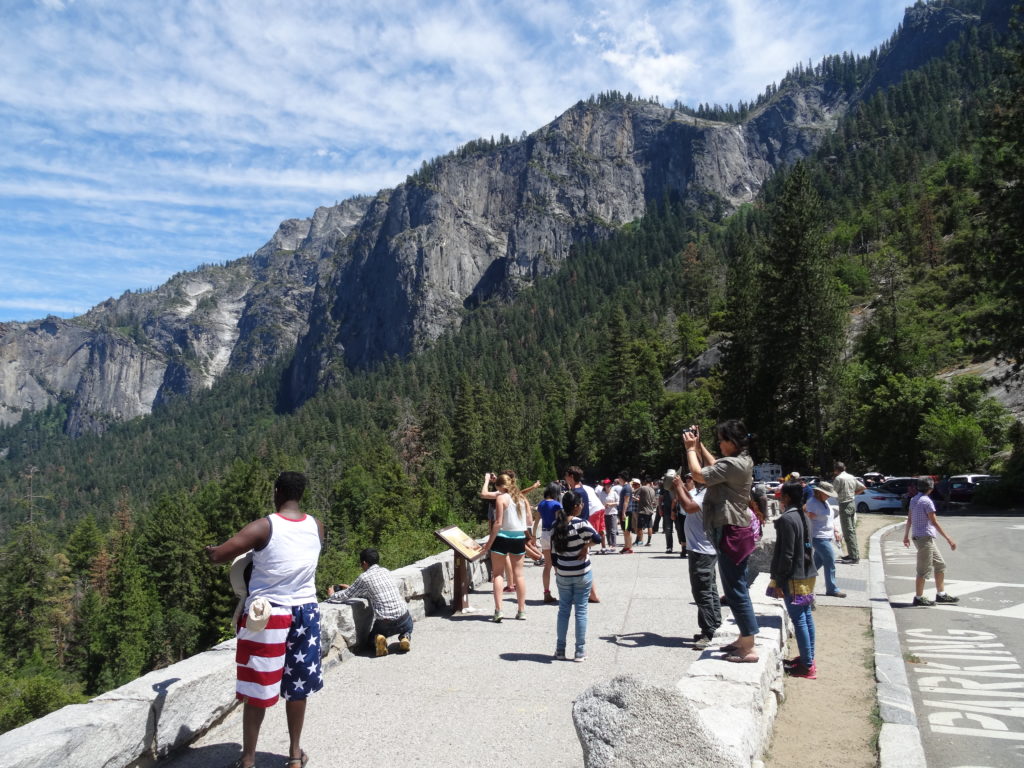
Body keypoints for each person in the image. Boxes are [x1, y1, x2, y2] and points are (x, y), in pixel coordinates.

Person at [204, 471, 323, 768]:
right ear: (301, 494)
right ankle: (295, 755)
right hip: (306, 613)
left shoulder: (264, 527)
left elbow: (220, 556)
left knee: (258, 687)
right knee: (297, 687)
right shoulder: (317, 526)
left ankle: (248, 759)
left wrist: (211, 551)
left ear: (277, 491)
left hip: (268, 615)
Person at [683, 420, 759, 663]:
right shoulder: (740, 461)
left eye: (722, 440)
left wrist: (690, 449)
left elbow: (698, 474)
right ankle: (743, 638)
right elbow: (715, 465)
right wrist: (700, 443)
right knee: (734, 587)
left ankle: (748, 647)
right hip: (734, 530)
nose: (719, 444)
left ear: (732, 442)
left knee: (736, 590)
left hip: (731, 532)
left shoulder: (734, 463)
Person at [769, 482, 818, 679]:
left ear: (787, 498)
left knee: (799, 619)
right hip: (808, 573)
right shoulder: (804, 516)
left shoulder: (787, 519)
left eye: (782, 496)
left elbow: (786, 554)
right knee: (806, 616)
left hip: (794, 576)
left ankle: (807, 666)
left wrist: (779, 580)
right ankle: (808, 658)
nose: (780, 499)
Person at [326, 547, 414, 655]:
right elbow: (376, 590)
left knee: (371, 640)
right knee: (408, 627)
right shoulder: (385, 571)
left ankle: (378, 639)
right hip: (403, 617)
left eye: (361, 564)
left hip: (385, 622)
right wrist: (351, 588)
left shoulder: (364, 577)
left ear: (364, 563)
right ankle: (405, 637)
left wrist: (332, 595)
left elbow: (346, 595)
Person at [671, 473, 719, 649]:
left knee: (702, 592)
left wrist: (677, 486)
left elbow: (689, 507)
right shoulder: (704, 491)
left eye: (695, 475)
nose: (692, 478)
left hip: (702, 550)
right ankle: (714, 625)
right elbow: (691, 499)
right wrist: (681, 487)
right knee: (709, 589)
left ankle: (710, 632)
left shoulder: (708, 493)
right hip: (701, 548)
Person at [552, 490, 600, 661]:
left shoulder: (556, 525)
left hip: (563, 573)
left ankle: (560, 650)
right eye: (581, 503)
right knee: (581, 611)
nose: (583, 506)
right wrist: (586, 546)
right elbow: (598, 538)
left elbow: (553, 554)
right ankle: (580, 651)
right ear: (576, 506)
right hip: (581, 572)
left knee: (563, 611)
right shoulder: (582, 524)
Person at [480, 472, 533, 621]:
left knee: (497, 574)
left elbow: (498, 523)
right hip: (518, 537)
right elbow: (529, 521)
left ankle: (499, 610)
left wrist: (489, 543)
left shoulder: (501, 498)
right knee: (519, 575)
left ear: (500, 487)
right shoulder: (522, 498)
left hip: (502, 537)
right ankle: (521, 611)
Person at [903, 476, 959, 606]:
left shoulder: (914, 499)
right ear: (931, 488)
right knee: (923, 569)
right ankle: (918, 597)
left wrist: (906, 536)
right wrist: (948, 538)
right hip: (924, 539)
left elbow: (909, 519)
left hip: (921, 537)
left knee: (940, 564)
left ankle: (941, 595)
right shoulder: (927, 502)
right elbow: (934, 522)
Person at [805, 481, 846, 598]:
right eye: (827, 493)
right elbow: (807, 518)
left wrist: (836, 530)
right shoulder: (812, 502)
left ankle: (803, 579)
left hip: (827, 536)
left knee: (817, 562)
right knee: (830, 561)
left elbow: (830, 519)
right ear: (819, 492)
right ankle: (832, 589)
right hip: (818, 536)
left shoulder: (825, 501)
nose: (829, 496)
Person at [833, 462, 866, 564]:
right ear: (844, 468)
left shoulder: (839, 479)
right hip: (852, 503)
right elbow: (863, 487)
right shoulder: (851, 477)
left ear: (836, 470)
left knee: (848, 531)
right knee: (851, 530)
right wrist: (853, 494)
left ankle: (854, 557)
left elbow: (833, 492)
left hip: (844, 504)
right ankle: (853, 554)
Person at [536, 482, 563, 603]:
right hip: (554, 535)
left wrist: (532, 536)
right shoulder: (557, 505)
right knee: (558, 565)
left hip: (544, 535)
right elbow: (559, 522)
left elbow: (536, 521)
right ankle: (564, 592)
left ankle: (546, 593)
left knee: (547, 565)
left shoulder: (541, 504)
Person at [636, 477, 658, 546]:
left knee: (639, 527)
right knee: (649, 526)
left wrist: (636, 499)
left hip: (643, 510)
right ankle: (649, 542)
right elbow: (654, 502)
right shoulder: (653, 490)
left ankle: (640, 541)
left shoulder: (642, 488)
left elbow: (634, 493)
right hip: (650, 511)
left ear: (645, 481)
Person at [601, 478, 620, 552]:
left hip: (613, 513)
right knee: (607, 530)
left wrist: (612, 504)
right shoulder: (602, 494)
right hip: (605, 513)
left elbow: (618, 502)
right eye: (606, 485)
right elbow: (599, 503)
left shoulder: (614, 493)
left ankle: (613, 545)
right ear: (604, 486)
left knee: (613, 530)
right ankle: (609, 544)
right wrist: (603, 506)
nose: (608, 486)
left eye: (609, 485)